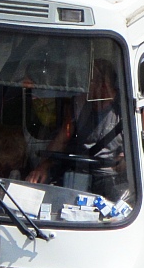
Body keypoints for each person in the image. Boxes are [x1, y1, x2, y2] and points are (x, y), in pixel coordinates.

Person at [26, 59, 127, 200]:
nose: (84, 86)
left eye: (89, 81)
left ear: (103, 85)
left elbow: (132, 154)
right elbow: (62, 138)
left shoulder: (124, 110)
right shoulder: (79, 103)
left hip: (110, 175)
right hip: (79, 170)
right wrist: (43, 166)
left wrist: (123, 163)